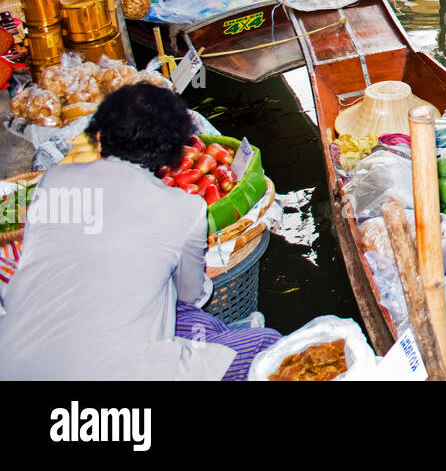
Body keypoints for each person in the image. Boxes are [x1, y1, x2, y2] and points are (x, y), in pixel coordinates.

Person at [0, 84, 282, 380]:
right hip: (110, 378)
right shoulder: (184, 208)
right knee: (266, 343)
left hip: (15, 362)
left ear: (99, 134)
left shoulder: (55, 180)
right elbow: (190, 294)